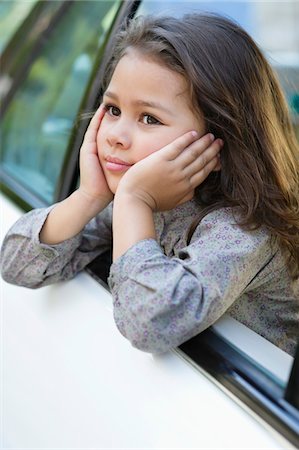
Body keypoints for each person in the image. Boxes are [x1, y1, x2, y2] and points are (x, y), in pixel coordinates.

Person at [1, 14, 299, 356]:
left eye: (149, 118)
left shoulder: (244, 232)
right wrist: (89, 195)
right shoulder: (133, 201)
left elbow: (148, 322)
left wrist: (134, 201)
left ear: (219, 142)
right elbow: (15, 265)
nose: (115, 136)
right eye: (112, 109)